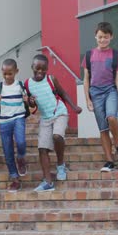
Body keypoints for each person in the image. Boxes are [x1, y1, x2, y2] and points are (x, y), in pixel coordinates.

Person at [26, 54, 82, 192]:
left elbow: (63, 93)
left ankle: (60, 164)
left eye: (43, 69)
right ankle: (48, 182)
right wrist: (31, 102)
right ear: (32, 67)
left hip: (59, 113)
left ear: (47, 69)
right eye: (37, 69)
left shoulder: (51, 79)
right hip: (45, 118)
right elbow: (31, 106)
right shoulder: (27, 84)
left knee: (57, 136)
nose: (40, 72)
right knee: (42, 148)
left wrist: (74, 107)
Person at [82, 21, 118, 172]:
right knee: (103, 129)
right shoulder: (89, 55)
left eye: (106, 37)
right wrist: (87, 100)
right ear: (96, 36)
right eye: (100, 37)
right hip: (95, 94)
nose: (103, 40)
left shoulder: (116, 55)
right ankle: (109, 161)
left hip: (110, 90)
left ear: (111, 37)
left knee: (112, 117)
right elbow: (86, 79)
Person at [0, 59, 30, 192]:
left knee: (21, 142)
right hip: (4, 122)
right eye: (5, 74)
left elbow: (29, 104)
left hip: (18, 118)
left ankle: (21, 158)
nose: (7, 76)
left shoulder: (20, 86)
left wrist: (27, 101)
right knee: (8, 150)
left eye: (10, 73)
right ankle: (15, 179)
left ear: (16, 72)